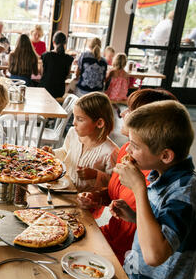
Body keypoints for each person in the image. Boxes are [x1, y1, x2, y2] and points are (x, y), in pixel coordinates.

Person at [76, 89, 178, 265]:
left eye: (130, 110)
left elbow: (156, 252)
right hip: (106, 235)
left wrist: (138, 188)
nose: (122, 113)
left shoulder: (162, 177)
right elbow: (116, 195)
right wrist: (97, 197)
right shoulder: (126, 151)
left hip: (130, 257)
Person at [111, 100, 196, 279]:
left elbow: (155, 255)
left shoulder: (188, 190)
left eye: (135, 146)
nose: (128, 150)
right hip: (136, 276)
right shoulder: (159, 175)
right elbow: (163, 226)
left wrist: (139, 189)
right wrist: (134, 216)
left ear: (165, 156)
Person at [53, 92, 118, 192]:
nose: (74, 122)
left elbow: (114, 183)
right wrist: (52, 153)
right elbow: (65, 152)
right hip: (65, 188)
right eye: (74, 117)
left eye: (79, 119)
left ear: (99, 123)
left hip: (87, 202)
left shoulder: (110, 151)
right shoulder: (72, 133)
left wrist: (96, 174)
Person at [40, 31, 74, 99]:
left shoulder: (46, 56)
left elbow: (42, 73)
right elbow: (67, 75)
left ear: (53, 42)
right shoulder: (69, 58)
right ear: (65, 43)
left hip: (45, 89)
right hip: (59, 91)